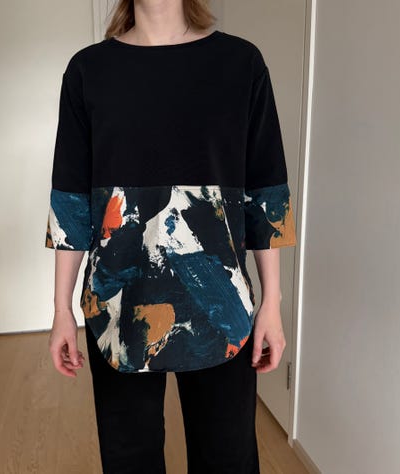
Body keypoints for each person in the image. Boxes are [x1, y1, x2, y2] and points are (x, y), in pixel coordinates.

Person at [45, 0, 297, 472]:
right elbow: (71, 202)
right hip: (118, 312)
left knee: (228, 458)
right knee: (129, 459)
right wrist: (62, 310)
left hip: (223, 312)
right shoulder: (88, 71)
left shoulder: (241, 64)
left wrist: (272, 303)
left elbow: (267, 194)